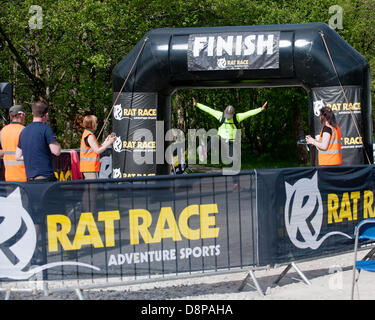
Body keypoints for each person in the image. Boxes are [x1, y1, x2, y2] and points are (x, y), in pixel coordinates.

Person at [192, 97, 267, 162]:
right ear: (225, 113)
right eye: (227, 115)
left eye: (229, 116)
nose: (228, 117)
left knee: (232, 159)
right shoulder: (221, 116)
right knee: (214, 138)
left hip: (231, 141)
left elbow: (248, 113)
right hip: (220, 138)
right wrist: (197, 104)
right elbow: (209, 110)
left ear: (233, 114)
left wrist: (260, 109)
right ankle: (204, 153)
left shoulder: (237, 117)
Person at [16, 101, 61, 181]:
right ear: (46, 115)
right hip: (45, 176)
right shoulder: (46, 129)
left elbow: (18, 156)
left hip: (29, 178)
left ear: (33, 113)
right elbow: (56, 151)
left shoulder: (24, 131)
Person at [79, 114, 116, 179]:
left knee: (91, 188)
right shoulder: (89, 136)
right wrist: (109, 143)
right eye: (96, 122)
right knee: (92, 188)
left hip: (89, 167)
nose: (97, 124)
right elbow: (98, 151)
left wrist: (106, 141)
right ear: (92, 124)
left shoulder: (87, 134)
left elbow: (97, 148)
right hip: (89, 167)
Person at [0, 105, 27, 182]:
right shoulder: (24, 131)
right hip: (23, 176)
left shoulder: (3, 131)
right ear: (21, 115)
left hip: (8, 177)